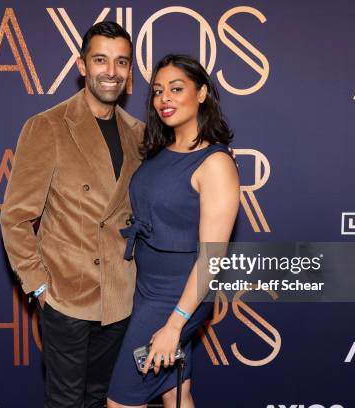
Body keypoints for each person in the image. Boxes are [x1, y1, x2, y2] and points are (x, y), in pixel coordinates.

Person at [0, 22, 144, 408]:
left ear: (130, 71)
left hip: (120, 299)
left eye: (121, 62)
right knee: (65, 402)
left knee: (102, 399)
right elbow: (15, 218)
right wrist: (41, 287)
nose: (111, 71)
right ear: (82, 65)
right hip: (68, 297)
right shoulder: (47, 126)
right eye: (101, 60)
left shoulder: (139, 134)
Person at [107, 54, 240, 408]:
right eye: (158, 91)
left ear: (201, 93)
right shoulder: (158, 152)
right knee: (175, 392)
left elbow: (212, 257)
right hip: (147, 287)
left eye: (176, 89)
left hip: (178, 295)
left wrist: (174, 324)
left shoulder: (215, 163)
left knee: (120, 402)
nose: (165, 98)